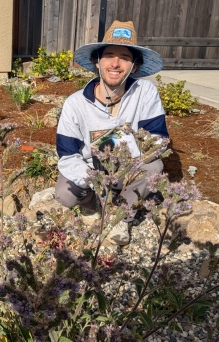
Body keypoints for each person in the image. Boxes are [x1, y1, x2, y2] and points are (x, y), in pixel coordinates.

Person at [55, 20, 169, 246]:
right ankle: (96, 205)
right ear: (97, 62)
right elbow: (68, 155)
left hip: (132, 167)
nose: (115, 64)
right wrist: (95, 178)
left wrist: (121, 152)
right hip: (92, 170)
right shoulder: (75, 104)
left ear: (134, 66)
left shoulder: (145, 93)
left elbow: (157, 140)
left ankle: (121, 214)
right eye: (109, 55)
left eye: (125, 58)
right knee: (65, 193)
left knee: (154, 167)